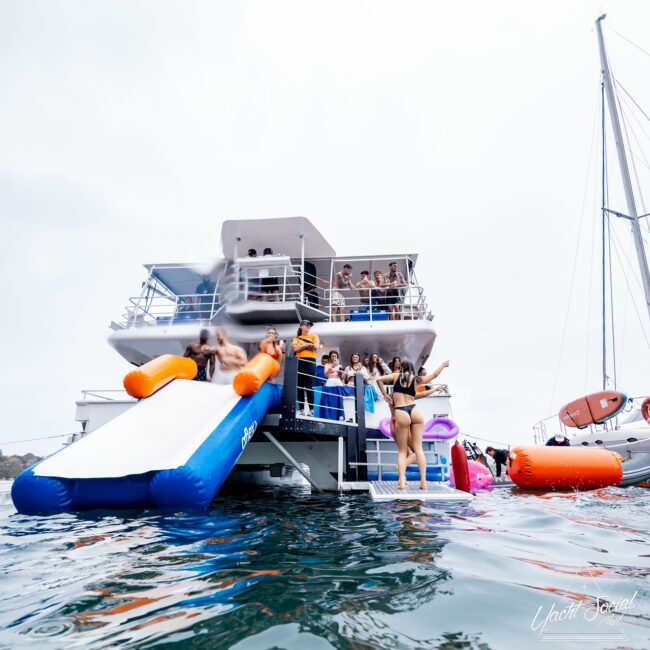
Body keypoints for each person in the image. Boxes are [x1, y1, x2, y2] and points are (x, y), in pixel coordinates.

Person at [377, 359, 450, 490]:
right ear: (411, 369)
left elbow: (379, 380)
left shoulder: (395, 377)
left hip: (400, 413)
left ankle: (402, 482)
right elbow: (432, 377)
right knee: (419, 450)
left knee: (402, 451)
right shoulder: (415, 379)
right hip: (415, 410)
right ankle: (423, 482)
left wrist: (385, 395)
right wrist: (443, 365)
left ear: (400, 368)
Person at [291, 320, 321, 416]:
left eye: (309, 325)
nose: (308, 326)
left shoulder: (314, 336)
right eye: (306, 324)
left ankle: (311, 410)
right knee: (299, 386)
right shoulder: (296, 338)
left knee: (309, 386)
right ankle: (302, 409)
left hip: (310, 361)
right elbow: (295, 349)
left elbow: (315, 346)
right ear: (301, 326)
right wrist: (307, 346)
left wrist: (302, 347)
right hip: (299, 362)